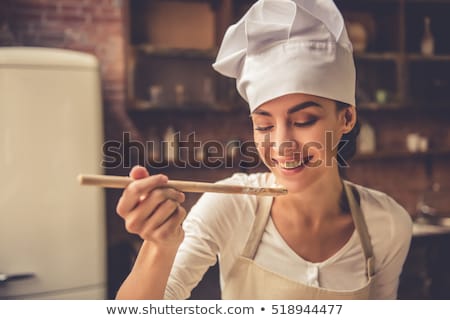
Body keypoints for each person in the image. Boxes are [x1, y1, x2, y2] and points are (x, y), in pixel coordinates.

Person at [115, 0, 412, 299]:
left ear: (346, 118)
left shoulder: (387, 224)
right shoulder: (230, 206)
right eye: (264, 125)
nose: (282, 144)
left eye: (304, 120)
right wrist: (159, 246)